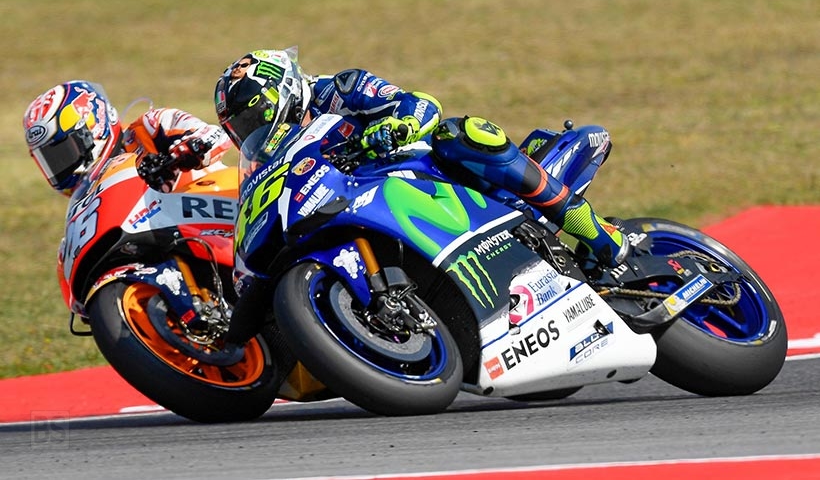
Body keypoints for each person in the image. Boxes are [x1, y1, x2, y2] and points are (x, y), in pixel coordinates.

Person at [213, 47, 629, 351]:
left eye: (253, 114)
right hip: (363, 200)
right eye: (239, 126)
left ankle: (598, 233)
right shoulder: (267, 158)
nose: (250, 129)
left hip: (419, 168)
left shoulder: (340, 89)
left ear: (283, 91)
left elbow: (421, 103)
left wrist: (399, 125)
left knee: (463, 133)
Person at [23, 80, 232, 197]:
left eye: (64, 153)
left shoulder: (150, 126)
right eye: (50, 160)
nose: (60, 166)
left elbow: (216, 135)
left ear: (92, 129)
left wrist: (185, 152)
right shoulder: (86, 198)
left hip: (218, 208)